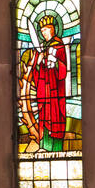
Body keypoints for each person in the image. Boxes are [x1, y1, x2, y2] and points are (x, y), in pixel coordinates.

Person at [20, 13, 69, 152]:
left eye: (46, 29)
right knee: (43, 118)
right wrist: (39, 61)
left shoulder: (59, 46)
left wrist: (55, 62)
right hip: (44, 90)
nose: (44, 32)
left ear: (53, 29)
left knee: (55, 119)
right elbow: (35, 73)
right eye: (42, 31)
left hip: (55, 91)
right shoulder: (40, 48)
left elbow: (63, 72)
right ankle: (44, 146)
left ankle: (56, 147)